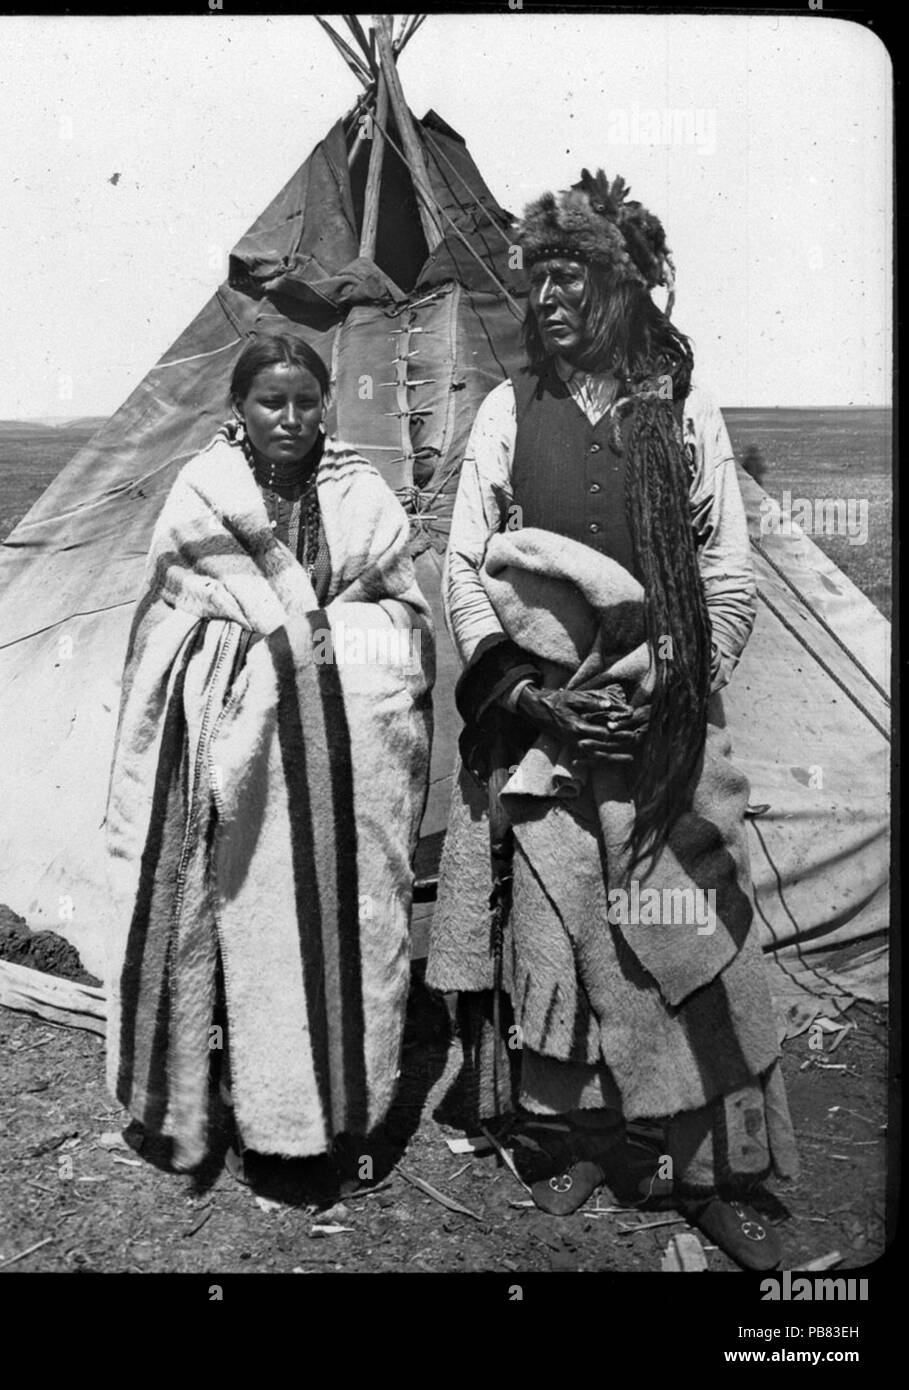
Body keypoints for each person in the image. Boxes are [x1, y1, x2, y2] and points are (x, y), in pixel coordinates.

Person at [427, 170, 797, 1269]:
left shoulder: (682, 412)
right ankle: (585, 1137)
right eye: (535, 273)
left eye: (570, 272)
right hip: (546, 734)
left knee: (688, 941)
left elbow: (726, 569)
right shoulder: (506, 412)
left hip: (664, 728)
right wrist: (526, 693)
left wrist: (668, 683)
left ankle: (705, 1172)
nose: (544, 294)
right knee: (560, 941)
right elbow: (459, 564)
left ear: (625, 285)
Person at [104, 333, 433, 1194]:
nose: (291, 417)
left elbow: (402, 616)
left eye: (306, 401)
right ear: (238, 411)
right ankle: (231, 1104)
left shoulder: (360, 494)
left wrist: (314, 644)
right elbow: (172, 622)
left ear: (327, 404)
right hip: (232, 749)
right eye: (270, 402)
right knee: (230, 923)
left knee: (341, 928)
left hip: (340, 763)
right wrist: (273, 653)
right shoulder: (204, 494)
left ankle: (325, 1117)